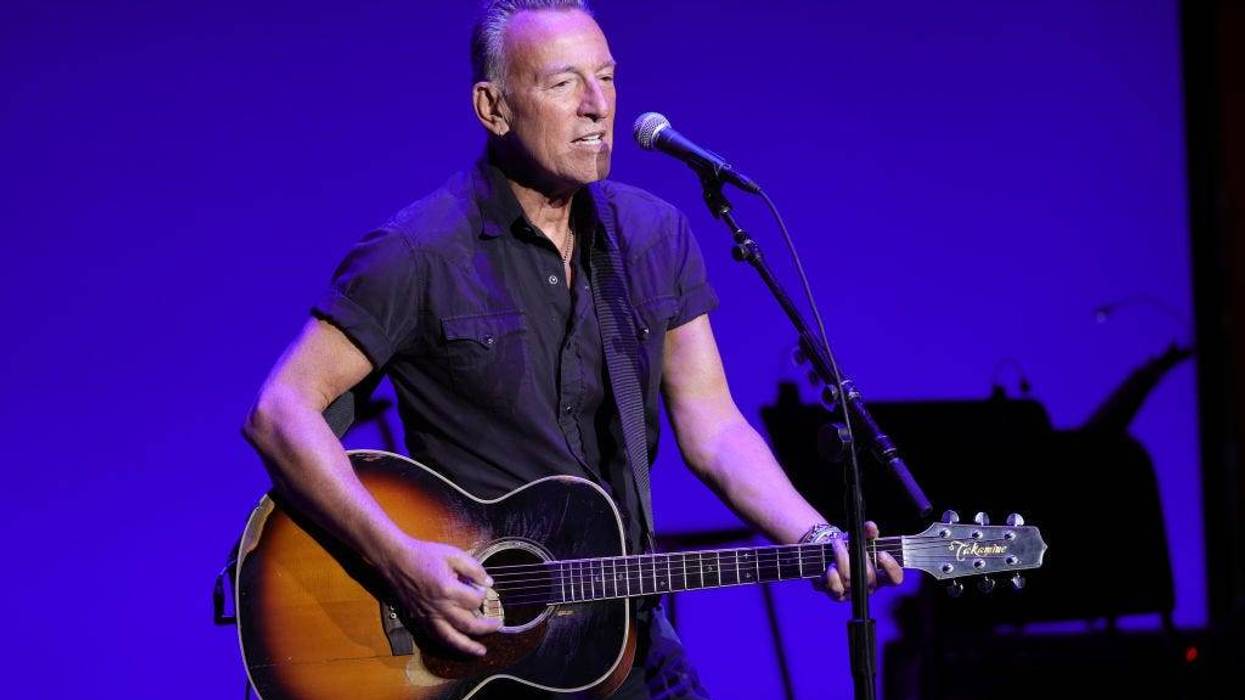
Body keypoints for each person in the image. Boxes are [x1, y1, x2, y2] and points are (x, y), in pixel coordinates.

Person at [242, 1, 903, 697]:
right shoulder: (418, 253)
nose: (597, 106)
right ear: (493, 108)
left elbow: (712, 428)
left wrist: (811, 534)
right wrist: (401, 560)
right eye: (563, 84)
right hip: (472, 647)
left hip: (623, 633)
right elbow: (280, 411)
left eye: (607, 78)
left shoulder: (652, 237)